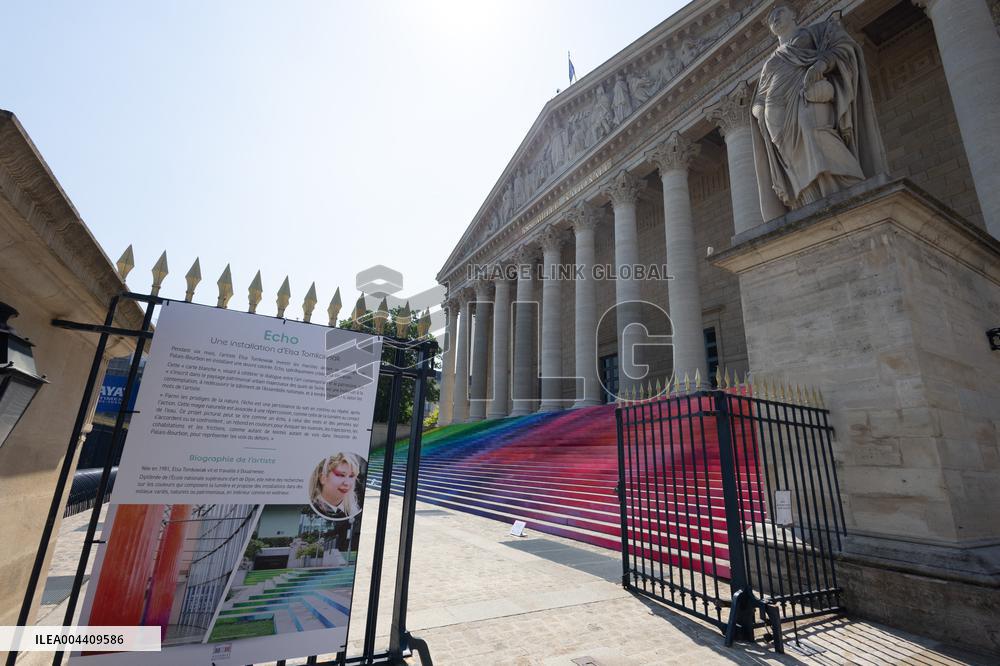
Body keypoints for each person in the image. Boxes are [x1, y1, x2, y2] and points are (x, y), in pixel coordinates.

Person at [750, 5, 886, 215]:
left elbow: (842, 48)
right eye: (770, 18)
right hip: (777, 121)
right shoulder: (770, 61)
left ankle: (848, 185)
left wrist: (822, 64)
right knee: (794, 164)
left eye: (779, 13)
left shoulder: (817, 32)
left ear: (794, 14)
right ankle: (808, 206)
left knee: (815, 132)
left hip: (807, 96)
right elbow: (760, 96)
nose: (774, 18)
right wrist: (758, 110)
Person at [309, 452, 365, 520]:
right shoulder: (311, 508)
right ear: (323, 478)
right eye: (341, 475)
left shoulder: (355, 510)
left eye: (351, 476)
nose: (347, 483)